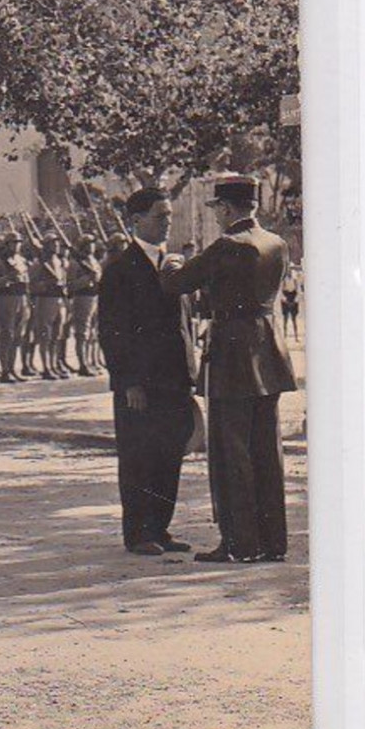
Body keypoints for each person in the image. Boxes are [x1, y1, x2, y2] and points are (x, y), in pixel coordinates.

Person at [159, 175, 297, 564]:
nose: (217, 215)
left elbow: (176, 283)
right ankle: (272, 541)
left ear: (226, 209)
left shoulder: (227, 245)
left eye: (217, 209)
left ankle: (239, 542)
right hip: (268, 351)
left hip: (232, 353)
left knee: (230, 452)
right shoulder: (276, 243)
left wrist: (172, 260)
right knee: (267, 450)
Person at [96, 190, 196, 557]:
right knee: (140, 457)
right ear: (136, 220)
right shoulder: (121, 269)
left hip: (174, 379)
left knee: (169, 455)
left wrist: (190, 371)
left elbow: (183, 323)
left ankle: (160, 527)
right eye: (159, 216)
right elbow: (112, 332)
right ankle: (138, 532)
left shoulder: (174, 265)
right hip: (141, 383)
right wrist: (128, 382)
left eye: (169, 215)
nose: (167, 222)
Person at [0, 232, 30, 383]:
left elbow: (26, 279)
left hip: (21, 297)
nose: (16, 245)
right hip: (5, 297)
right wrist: (7, 278)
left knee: (18, 335)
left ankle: (12, 367)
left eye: (18, 242)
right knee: (7, 334)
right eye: (13, 242)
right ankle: (4, 368)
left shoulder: (21, 260)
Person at [29, 234, 70, 379]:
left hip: (59, 299)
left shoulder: (59, 262)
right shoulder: (39, 263)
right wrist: (46, 284)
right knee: (45, 335)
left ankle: (54, 364)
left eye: (57, 242)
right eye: (53, 243)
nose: (57, 245)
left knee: (56, 335)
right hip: (45, 299)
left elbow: (64, 280)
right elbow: (32, 285)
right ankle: (46, 366)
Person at [67, 235, 104, 375]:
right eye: (89, 244)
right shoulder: (75, 263)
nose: (92, 246)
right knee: (82, 332)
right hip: (82, 297)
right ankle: (82, 363)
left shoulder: (93, 261)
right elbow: (70, 285)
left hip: (95, 296)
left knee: (92, 333)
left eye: (93, 244)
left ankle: (89, 361)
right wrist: (86, 279)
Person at [281, 262, 302, 340]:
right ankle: (285, 336)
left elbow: (298, 290)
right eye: (288, 269)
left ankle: (296, 336)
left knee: (294, 319)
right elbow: (281, 290)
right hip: (286, 297)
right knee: (285, 318)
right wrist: (284, 299)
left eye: (290, 269)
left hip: (293, 297)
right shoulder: (283, 279)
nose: (289, 271)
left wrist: (295, 300)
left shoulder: (295, 279)